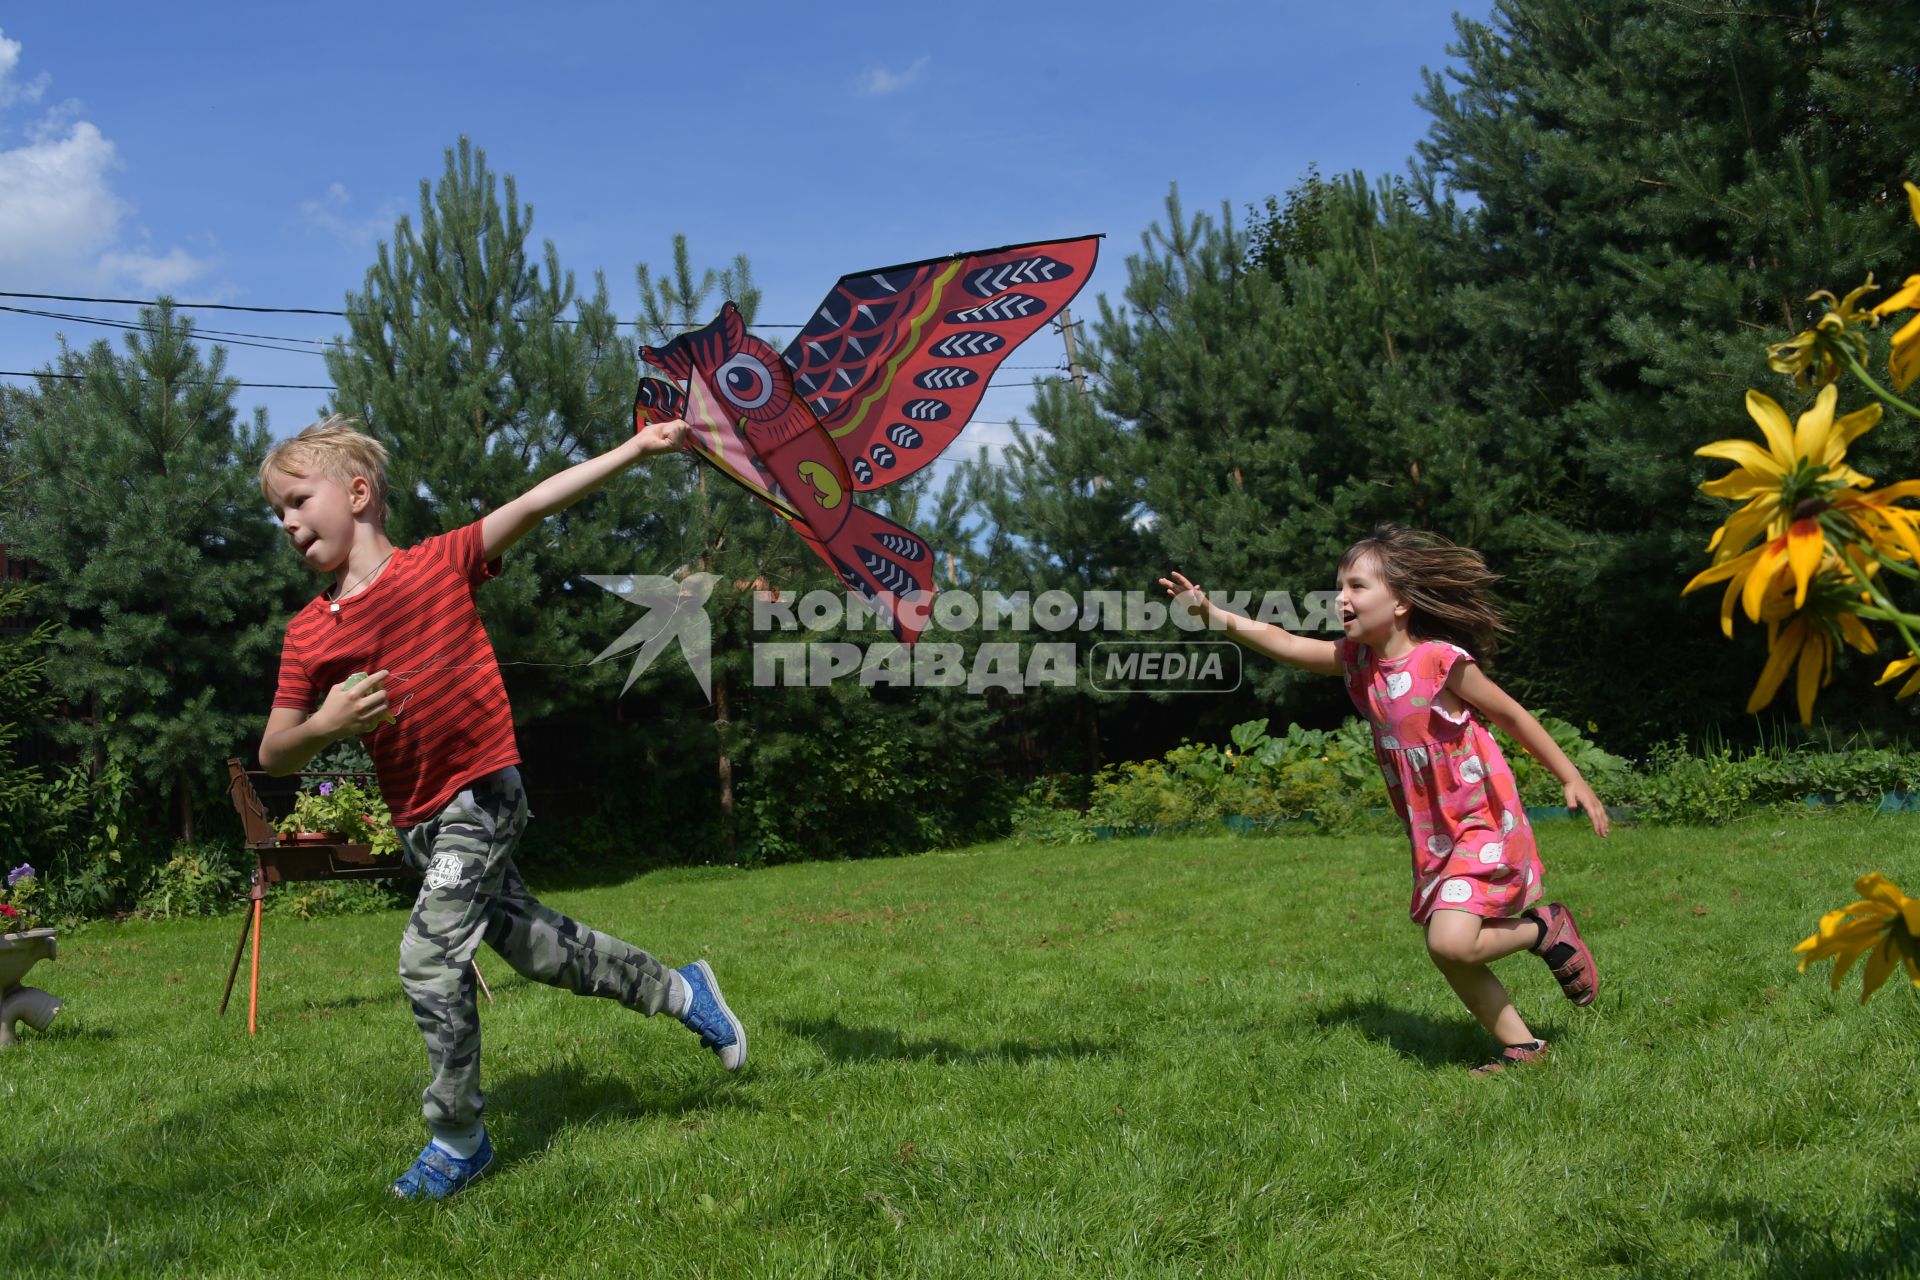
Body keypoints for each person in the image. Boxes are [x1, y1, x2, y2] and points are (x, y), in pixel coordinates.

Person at [256, 414, 745, 1200]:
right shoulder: (310, 634)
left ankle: (458, 1138)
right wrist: (327, 725)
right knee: (538, 948)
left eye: (296, 500)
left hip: (481, 796)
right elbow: (273, 751)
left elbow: (537, 502)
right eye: (276, 512)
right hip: (421, 827)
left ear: (357, 493)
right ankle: (683, 992)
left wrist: (634, 449)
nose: (286, 521)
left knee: (426, 958)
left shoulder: (439, 564)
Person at [1161, 525, 1607, 1075]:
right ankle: (1524, 1048)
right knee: (1448, 949)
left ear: (1399, 602)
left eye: (1356, 586)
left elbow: (1510, 714)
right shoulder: (1357, 662)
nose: (1341, 598)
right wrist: (1211, 615)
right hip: (1432, 830)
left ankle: (1544, 929)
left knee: (1450, 943)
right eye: (1338, 587)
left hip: (1478, 818)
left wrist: (1571, 775)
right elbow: (1284, 641)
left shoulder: (1441, 661)